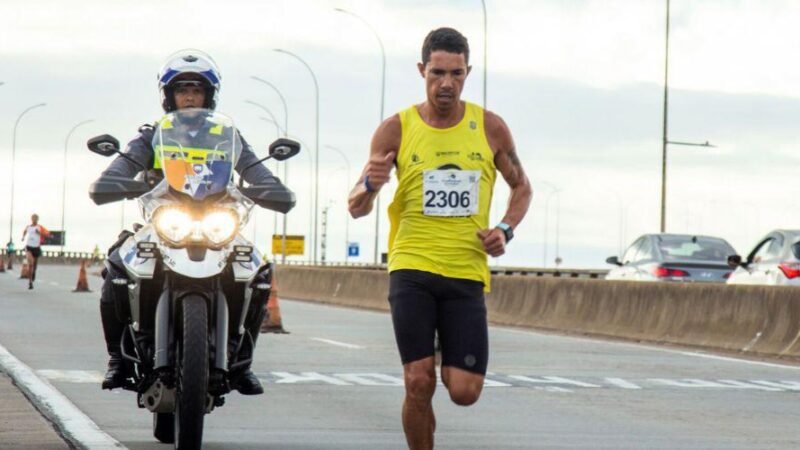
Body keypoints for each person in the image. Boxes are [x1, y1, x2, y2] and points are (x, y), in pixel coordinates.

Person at [348, 28, 532, 449]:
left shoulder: (490, 128)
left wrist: (504, 229)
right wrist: (369, 187)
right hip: (411, 267)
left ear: (468, 73)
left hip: (465, 271)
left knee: (464, 392)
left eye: (456, 73)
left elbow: (522, 187)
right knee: (417, 382)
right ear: (421, 71)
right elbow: (356, 206)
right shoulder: (396, 128)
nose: (446, 83)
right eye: (436, 73)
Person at [96, 50, 291, 395]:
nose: (189, 96)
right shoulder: (152, 135)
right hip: (164, 220)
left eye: (196, 90)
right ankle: (118, 359)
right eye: (181, 89)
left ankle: (242, 361)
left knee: (259, 271)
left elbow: (254, 170)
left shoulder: (227, 137)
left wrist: (271, 187)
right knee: (115, 264)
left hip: (218, 220)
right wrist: (113, 180)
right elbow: (122, 167)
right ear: (168, 96)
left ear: (209, 96)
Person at [21, 214, 50, 290]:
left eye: (36, 218)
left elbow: (47, 234)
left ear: (37, 219)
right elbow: (24, 231)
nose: (34, 219)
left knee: (35, 265)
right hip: (29, 247)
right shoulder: (28, 227)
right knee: (30, 264)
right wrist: (23, 237)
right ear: (31, 219)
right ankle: (30, 282)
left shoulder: (40, 227)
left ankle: (34, 273)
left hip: (36, 248)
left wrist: (39, 233)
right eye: (33, 218)